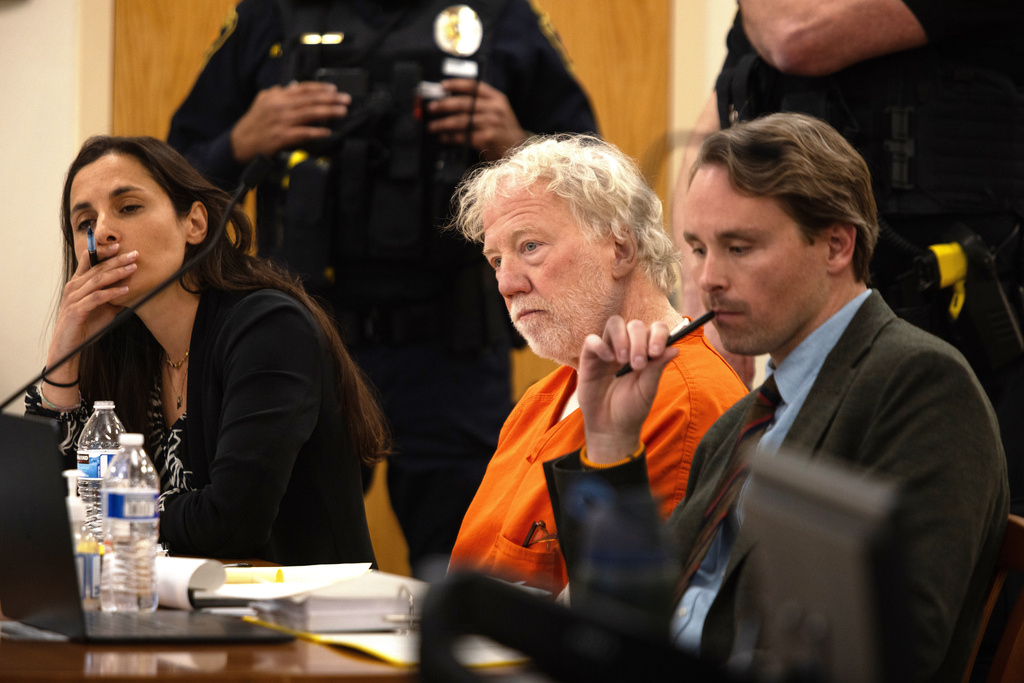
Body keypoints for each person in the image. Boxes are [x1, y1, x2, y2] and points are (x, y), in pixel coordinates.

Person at [547, 113, 1009, 680]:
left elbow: (891, 660)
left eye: (739, 248)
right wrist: (612, 440)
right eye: (697, 248)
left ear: (837, 245)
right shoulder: (745, 421)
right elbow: (616, 627)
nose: (708, 278)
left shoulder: (920, 385)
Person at [167, 0, 598, 574]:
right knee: (286, 562)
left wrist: (518, 142)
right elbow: (176, 182)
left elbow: (595, 172)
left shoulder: (500, 15)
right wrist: (242, 140)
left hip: (451, 354)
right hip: (306, 348)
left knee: (463, 570)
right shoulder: (272, 14)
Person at [674, 1, 1024, 514]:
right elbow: (713, 131)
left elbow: (798, 36)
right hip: (811, 336)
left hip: (964, 325)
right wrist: (700, 276)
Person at [27, 135, 389, 566]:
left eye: (128, 207)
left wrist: (105, 518)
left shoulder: (269, 328)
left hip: (303, 618)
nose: (101, 232)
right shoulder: (125, 348)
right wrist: (65, 354)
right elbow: (43, 513)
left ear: (194, 225)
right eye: (85, 222)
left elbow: (231, 522)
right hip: (176, 613)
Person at [445, 135, 747, 593]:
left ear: (621, 250)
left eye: (529, 247)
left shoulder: (684, 401)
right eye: (495, 259)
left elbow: (624, 622)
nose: (506, 283)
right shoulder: (542, 398)